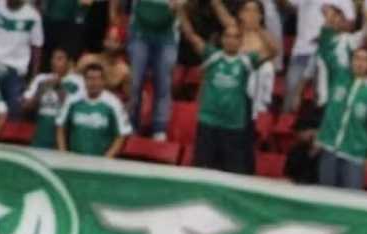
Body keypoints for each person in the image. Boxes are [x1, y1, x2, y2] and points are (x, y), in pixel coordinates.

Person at [179, 4, 264, 174]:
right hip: (208, 121)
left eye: (235, 37)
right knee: (202, 170)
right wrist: (179, 12)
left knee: (232, 173)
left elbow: (273, 51)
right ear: (222, 39)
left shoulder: (247, 61)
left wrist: (257, 29)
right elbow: (190, 35)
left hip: (234, 125)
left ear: (240, 41)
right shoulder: (212, 55)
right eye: (227, 36)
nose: (231, 40)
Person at [316, 47, 367, 189]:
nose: (360, 63)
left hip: (354, 155)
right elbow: (326, 51)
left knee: (350, 200)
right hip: (330, 147)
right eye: (356, 58)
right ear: (351, 61)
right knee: (324, 197)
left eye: (364, 60)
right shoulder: (338, 79)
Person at [0, 0, 44, 118]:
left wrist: (33, 77)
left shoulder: (33, 16)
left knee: (13, 111)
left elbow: (37, 47)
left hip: (15, 71)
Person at [126, 0, 180, 140]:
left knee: (163, 84)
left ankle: (159, 128)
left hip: (167, 36)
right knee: (135, 83)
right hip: (140, 33)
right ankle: (131, 124)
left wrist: (182, 4)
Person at [56, 63, 132, 157]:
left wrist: (107, 159)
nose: (93, 82)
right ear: (84, 80)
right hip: (73, 159)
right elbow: (60, 127)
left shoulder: (114, 103)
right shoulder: (73, 100)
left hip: (100, 162)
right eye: (89, 78)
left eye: (97, 79)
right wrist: (63, 154)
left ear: (103, 81)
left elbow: (122, 134)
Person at [22, 46, 84, 149]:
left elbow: (76, 109)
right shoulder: (41, 79)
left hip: (63, 140)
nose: (54, 62)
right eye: (53, 58)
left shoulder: (78, 82)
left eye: (59, 59)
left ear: (69, 62)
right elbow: (26, 106)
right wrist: (40, 91)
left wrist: (60, 87)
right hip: (40, 138)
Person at [277, 0, 325, 114]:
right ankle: (284, 125)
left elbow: (349, 22)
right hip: (302, 51)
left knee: (322, 96)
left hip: (327, 54)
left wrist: (327, 34)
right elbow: (286, 5)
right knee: (291, 90)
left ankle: (317, 127)